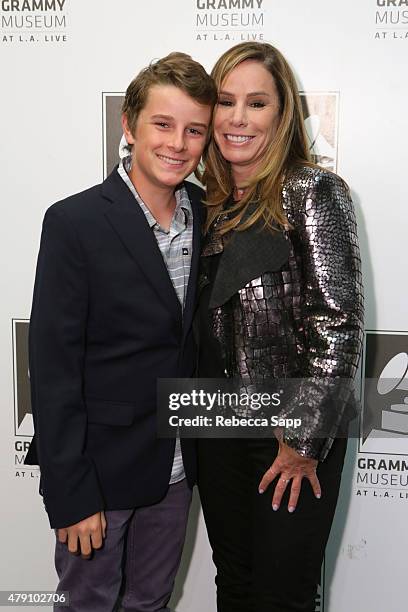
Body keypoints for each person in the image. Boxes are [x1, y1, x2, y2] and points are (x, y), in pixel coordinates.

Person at [24, 52, 216, 611]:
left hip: (176, 472)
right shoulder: (75, 222)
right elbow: (54, 369)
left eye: (194, 130)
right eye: (162, 124)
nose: (177, 143)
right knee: (88, 604)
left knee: (151, 603)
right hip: (98, 476)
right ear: (128, 125)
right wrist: (71, 493)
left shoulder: (207, 214)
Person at [196, 42, 364, 612]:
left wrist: (303, 443)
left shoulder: (312, 191)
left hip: (287, 437)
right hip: (218, 427)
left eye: (257, 103)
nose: (238, 118)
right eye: (225, 101)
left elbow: (338, 325)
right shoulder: (205, 205)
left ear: (282, 113)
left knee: (282, 596)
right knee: (234, 586)